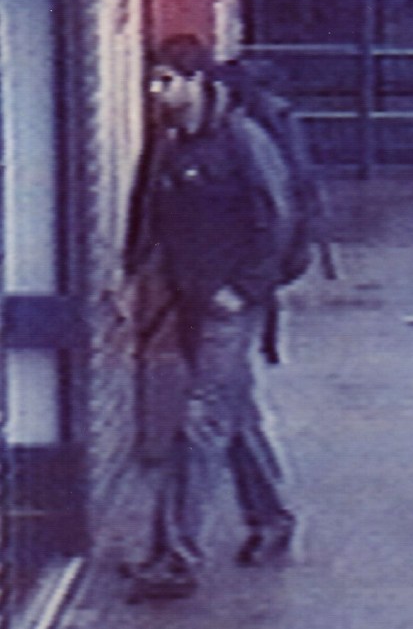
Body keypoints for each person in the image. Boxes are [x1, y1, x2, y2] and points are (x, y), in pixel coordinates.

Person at [122, 35, 301, 600]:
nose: (156, 91)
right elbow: (148, 213)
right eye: (153, 81)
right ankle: (272, 522)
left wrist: (242, 290)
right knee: (237, 414)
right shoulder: (171, 143)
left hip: (229, 306)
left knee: (198, 424)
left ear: (196, 82)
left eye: (166, 81)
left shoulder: (243, 142)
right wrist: (131, 276)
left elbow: (278, 222)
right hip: (192, 298)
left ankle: (175, 559)